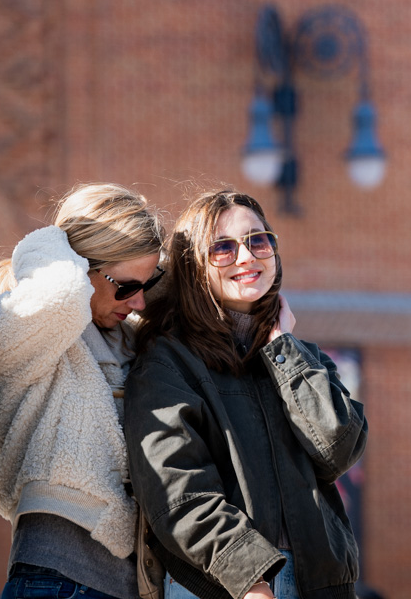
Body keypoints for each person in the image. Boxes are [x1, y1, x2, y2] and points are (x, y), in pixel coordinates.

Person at [124, 190, 366, 599]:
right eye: (222, 248)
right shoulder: (168, 361)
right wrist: (250, 580)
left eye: (259, 240)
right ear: (194, 266)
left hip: (318, 584)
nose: (246, 256)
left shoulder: (300, 357)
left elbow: (339, 449)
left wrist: (283, 350)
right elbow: (177, 492)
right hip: (224, 585)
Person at [0, 184, 168, 599]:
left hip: (132, 586)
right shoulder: (23, 326)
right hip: (55, 580)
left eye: (147, 284)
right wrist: (57, 241)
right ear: (80, 267)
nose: (139, 302)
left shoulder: (130, 338)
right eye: (125, 287)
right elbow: (62, 295)